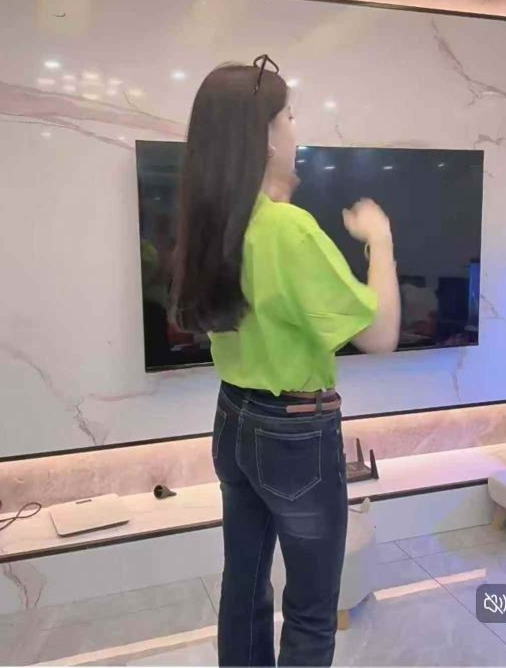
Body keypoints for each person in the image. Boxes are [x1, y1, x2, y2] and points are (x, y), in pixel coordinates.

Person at [171, 54, 400, 667]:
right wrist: (380, 239)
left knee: (244, 587)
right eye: (291, 116)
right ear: (266, 138)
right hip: (295, 434)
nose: (298, 128)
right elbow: (380, 334)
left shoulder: (215, 221)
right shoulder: (287, 230)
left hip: (233, 420)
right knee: (311, 609)